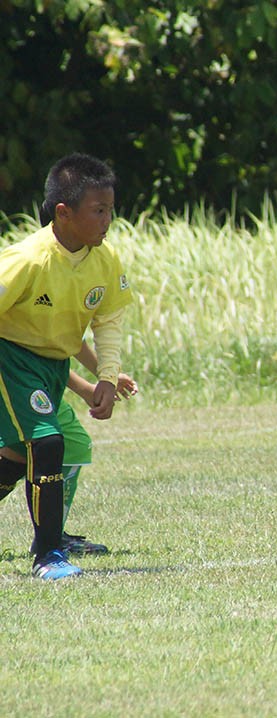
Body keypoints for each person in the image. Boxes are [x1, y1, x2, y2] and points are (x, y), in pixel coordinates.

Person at [0, 152, 133, 579]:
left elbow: (108, 320)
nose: (107, 220)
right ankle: (49, 556)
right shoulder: (28, 259)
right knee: (49, 443)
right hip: (12, 358)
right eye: (98, 211)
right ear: (63, 213)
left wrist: (107, 378)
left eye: (110, 209)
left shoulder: (105, 260)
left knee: (17, 458)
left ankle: (50, 549)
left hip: (53, 367)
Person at [0, 342, 139, 556]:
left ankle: (52, 537)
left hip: (32, 378)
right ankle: (51, 541)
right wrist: (91, 385)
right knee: (47, 446)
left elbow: (63, 339)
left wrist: (106, 375)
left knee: (31, 449)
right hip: (16, 376)